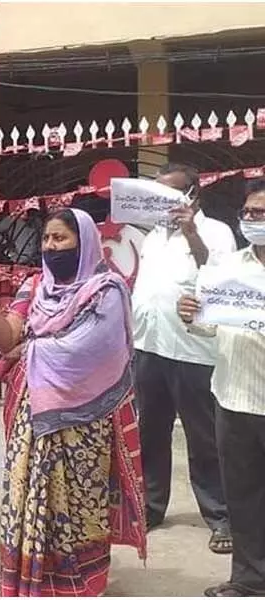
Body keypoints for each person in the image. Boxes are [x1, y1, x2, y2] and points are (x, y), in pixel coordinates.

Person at [0, 208, 146, 596]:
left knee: (80, 502)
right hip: (32, 415)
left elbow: (87, 351)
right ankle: (33, 577)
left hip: (84, 419)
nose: (51, 247)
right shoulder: (35, 287)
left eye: (61, 239)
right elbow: (6, 340)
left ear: (83, 243)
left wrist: (29, 350)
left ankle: (81, 581)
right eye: (47, 239)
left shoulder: (106, 290)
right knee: (28, 494)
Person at [132, 163, 235, 553]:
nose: (161, 202)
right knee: (150, 432)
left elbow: (218, 274)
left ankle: (221, 515)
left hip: (193, 350)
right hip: (150, 347)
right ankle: (151, 506)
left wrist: (191, 231)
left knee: (204, 436)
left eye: (169, 194)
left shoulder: (216, 231)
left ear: (193, 195)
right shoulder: (153, 235)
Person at [176, 178, 265, 597]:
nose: (251, 220)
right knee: (244, 495)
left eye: (260, 213)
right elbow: (210, 327)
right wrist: (192, 314)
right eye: (247, 213)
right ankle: (249, 578)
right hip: (235, 397)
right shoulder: (229, 269)